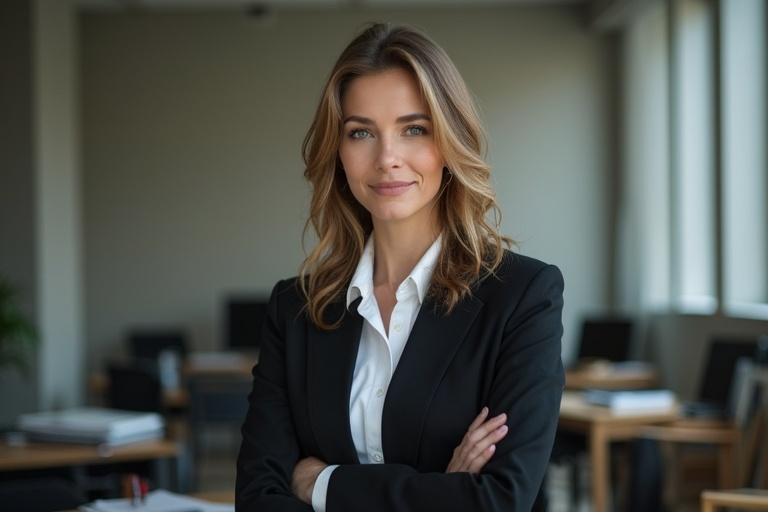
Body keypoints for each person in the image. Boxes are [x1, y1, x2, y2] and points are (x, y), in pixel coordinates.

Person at [236, 22, 565, 512]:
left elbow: (498, 500)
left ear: (449, 143)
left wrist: (321, 484)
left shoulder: (521, 295)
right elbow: (258, 497)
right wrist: (440, 489)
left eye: (414, 129)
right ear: (339, 152)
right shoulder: (295, 309)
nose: (387, 158)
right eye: (361, 132)